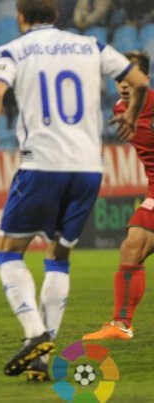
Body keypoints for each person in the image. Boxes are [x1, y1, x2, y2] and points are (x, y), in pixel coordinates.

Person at [0, 0, 149, 382]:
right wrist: (132, 117)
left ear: (20, 17)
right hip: (88, 168)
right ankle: (41, 358)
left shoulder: (13, 50)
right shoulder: (91, 46)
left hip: (42, 165)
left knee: (8, 252)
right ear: (56, 16)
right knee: (59, 254)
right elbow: (139, 81)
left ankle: (35, 333)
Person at [83, 51, 154, 341]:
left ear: (145, 79)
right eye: (119, 79)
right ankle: (121, 324)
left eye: (130, 78)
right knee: (132, 247)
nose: (124, 84)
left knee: (133, 245)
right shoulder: (118, 109)